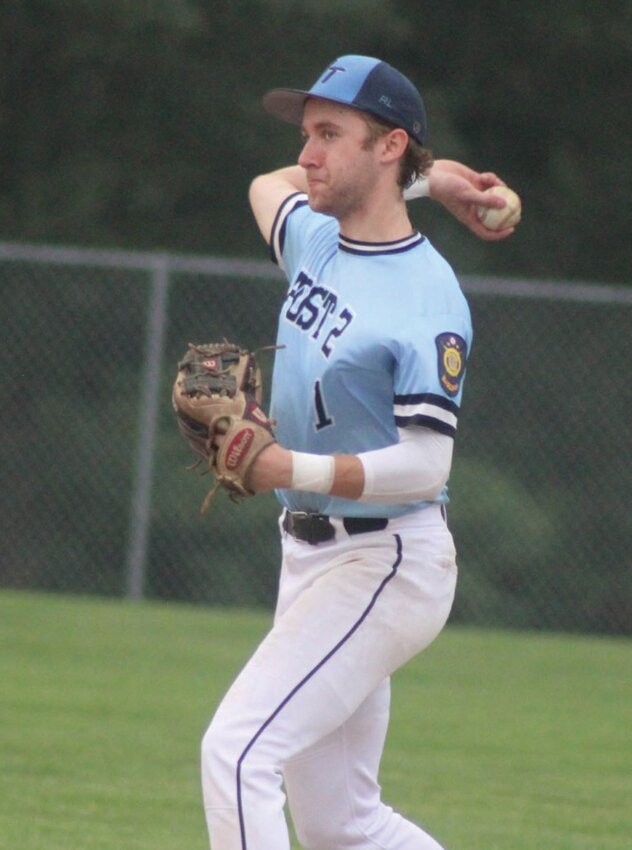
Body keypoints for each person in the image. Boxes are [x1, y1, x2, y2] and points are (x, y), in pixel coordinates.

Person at [200, 54, 515, 850]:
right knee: (341, 826)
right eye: (306, 133)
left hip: (386, 562)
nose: (306, 155)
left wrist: (288, 469)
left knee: (237, 755)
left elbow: (426, 464)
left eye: (330, 133)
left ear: (387, 143)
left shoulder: (428, 298)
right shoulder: (316, 240)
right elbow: (263, 188)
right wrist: (430, 178)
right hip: (308, 555)